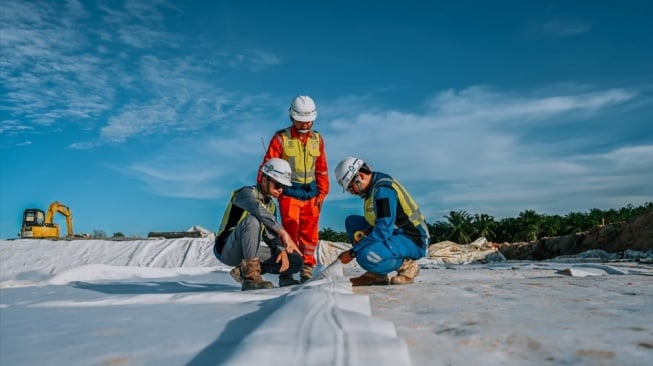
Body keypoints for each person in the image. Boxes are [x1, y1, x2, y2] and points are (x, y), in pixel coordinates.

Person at [259, 95, 329, 283]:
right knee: (289, 232)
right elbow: (268, 165)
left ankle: (307, 267)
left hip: (312, 194)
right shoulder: (281, 138)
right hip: (289, 193)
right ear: (292, 117)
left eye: (308, 121)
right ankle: (287, 272)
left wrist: (322, 194)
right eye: (301, 121)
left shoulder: (318, 139)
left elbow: (322, 169)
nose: (305, 125)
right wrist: (264, 190)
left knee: (310, 234)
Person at [333, 156, 430, 286]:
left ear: (359, 177)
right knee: (352, 223)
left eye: (351, 188)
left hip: (413, 238)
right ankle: (377, 275)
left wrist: (352, 253)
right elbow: (383, 222)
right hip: (396, 232)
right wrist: (367, 230)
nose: (353, 193)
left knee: (364, 255)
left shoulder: (383, 191)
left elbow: (383, 230)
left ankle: (407, 265)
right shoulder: (373, 190)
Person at [214, 158, 304, 291]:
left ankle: (243, 271)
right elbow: (257, 210)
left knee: (296, 260)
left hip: (249, 250)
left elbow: (270, 234)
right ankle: (251, 278)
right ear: (264, 179)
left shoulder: (271, 206)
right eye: (278, 184)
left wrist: (281, 250)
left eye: (283, 187)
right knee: (253, 220)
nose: (280, 190)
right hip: (227, 248)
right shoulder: (244, 193)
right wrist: (283, 232)